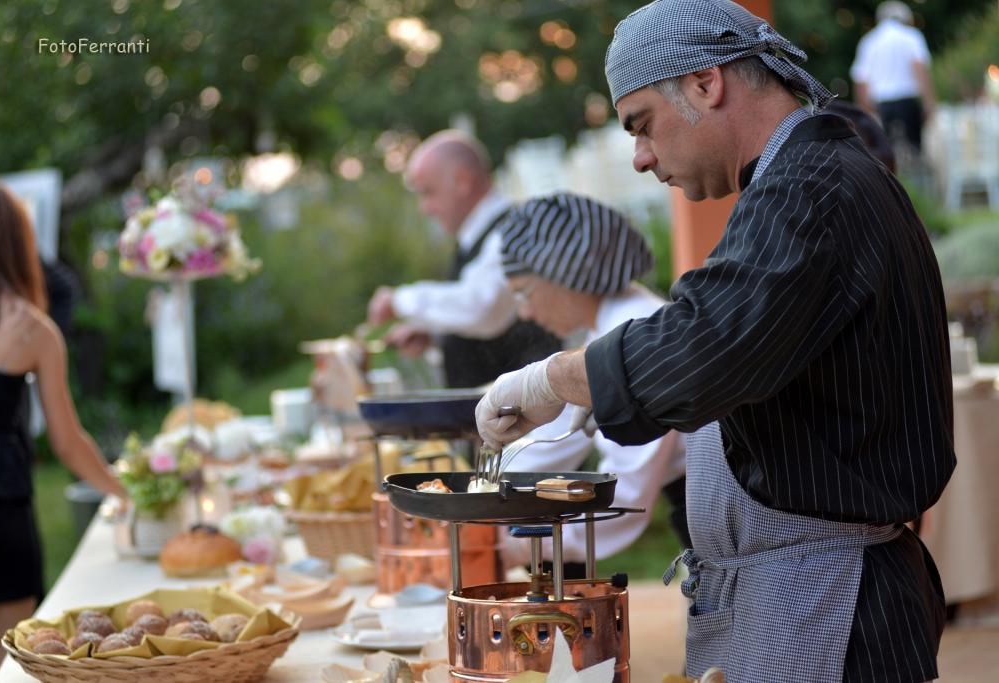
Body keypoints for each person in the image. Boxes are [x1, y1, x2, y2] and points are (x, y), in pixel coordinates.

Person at [476, 1, 954, 681]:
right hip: (804, 594)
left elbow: (700, 347)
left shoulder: (811, 189)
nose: (640, 157)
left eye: (641, 125)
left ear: (706, 82)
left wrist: (550, 379)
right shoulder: (804, 180)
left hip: (831, 608)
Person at [0, 179, 125, 679]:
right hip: (1, 508)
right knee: (7, 657)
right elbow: (68, 440)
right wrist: (121, 492)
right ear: (16, 243)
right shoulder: (33, 329)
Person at [497, 192, 690, 571]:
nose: (525, 311)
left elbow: (625, 494)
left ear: (564, 273)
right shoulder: (611, 328)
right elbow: (556, 435)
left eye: (523, 291)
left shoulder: (631, 329)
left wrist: (525, 542)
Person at [366, 130, 560, 389]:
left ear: (462, 181)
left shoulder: (513, 231)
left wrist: (400, 300)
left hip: (531, 420)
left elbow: (483, 307)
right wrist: (436, 334)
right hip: (501, 418)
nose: (424, 208)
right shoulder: (480, 237)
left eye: (428, 192)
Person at [851, 1, 936, 153]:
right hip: (908, 102)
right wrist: (929, 102)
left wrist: (863, 112)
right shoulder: (912, 37)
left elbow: (861, 79)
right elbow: (919, 68)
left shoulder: (869, 41)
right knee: (914, 151)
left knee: (885, 152)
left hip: (882, 105)